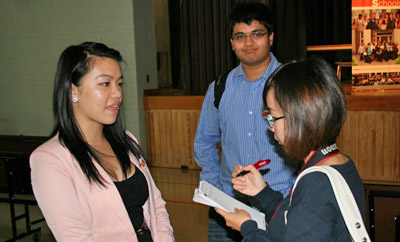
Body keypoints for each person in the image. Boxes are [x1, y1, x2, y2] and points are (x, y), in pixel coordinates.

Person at [30, 42, 174, 242]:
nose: (117, 93)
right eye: (106, 83)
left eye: (119, 83)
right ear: (73, 91)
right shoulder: (50, 159)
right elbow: (75, 237)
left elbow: (156, 206)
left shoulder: (125, 140)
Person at [215, 56, 366, 241]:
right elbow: (294, 219)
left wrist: (248, 228)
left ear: (300, 118)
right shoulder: (339, 163)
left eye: (274, 117)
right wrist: (262, 193)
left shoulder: (316, 184)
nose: (270, 127)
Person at [194, 2, 296, 241]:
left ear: (271, 37)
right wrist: (215, 189)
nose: (248, 43)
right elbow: (204, 143)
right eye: (240, 36)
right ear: (231, 43)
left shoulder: (292, 85)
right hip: (229, 206)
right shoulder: (219, 88)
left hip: (280, 204)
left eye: (256, 34)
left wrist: (295, 194)